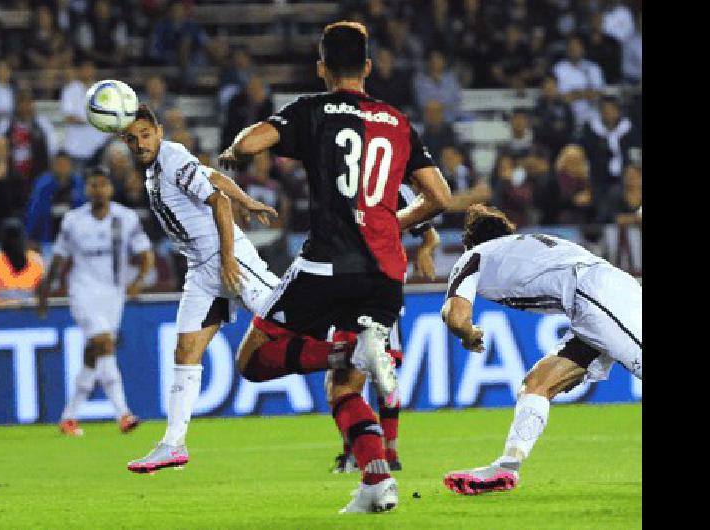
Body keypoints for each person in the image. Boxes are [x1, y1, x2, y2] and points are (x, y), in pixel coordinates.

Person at [218, 21, 452, 513]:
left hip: (327, 263)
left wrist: (235, 148)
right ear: (368, 67)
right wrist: (393, 220)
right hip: (385, 274)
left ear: (321, 67)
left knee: (252, 360)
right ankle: (376, 482)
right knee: (345, 389)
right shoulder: (398, 122)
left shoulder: (313, 111)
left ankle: (344, 355)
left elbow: (252, 143)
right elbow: (441, 197)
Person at [119, 104, 281, 474]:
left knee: (287, 315)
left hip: (226, 258)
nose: (141, 143)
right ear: (124, 142)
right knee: (185, 350)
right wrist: (248, 199)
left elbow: (217, 201)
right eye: (133, 138)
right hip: (201, 269)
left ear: (158, 131)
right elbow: (215, 180)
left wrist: (228, 257)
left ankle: (357, 339)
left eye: (146, 134)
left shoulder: (171, 157)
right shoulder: (158, 169)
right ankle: (172, 445)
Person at [440, 205, 641, 495]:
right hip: (598, 295)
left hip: (594, 295)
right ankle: (506, 467)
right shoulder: (529, 243)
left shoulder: (475, 256)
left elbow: (455, 315)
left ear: (469, 242)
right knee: (536, 385)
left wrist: (468, 335)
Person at [330, 183, 441, 473]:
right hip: (342, 287)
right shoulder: (336, 179)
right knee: (343, 372)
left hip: (380, 288)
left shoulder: (396, 188)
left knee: (373, 372)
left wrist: (425, 251)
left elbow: (429, 233)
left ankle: (382, 452)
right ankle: (359, 451)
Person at [37, 167, 155, 437]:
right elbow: (58, 259)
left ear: (110, 188)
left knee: (94, 354)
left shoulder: (125, 218)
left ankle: (68, 417)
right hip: (82, 291)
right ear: (86, 189)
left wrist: (137, 282)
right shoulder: (72, 221)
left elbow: (146, 253)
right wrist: (45, 292)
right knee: (105, 343)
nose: (98, 190)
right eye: (93, 185)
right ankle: (123, 414)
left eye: (103, 185)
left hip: (114, 294)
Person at [0, 218, 44, 306]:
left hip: (28, 318)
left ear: (24, 239)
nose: (12, 241)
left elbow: (43, 299)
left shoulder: (36, 263)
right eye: (8, 237)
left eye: (15, 236)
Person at [25, 151, 87, 245]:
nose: (62, 168)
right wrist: (28, 236)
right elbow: (34, 212)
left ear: (71, 166)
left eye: (65, 165)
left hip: (73, 236)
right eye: (59, 164)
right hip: (47, 234)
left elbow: (84, 211)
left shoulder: (78, 184)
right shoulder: (42, 185)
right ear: (52, 166)